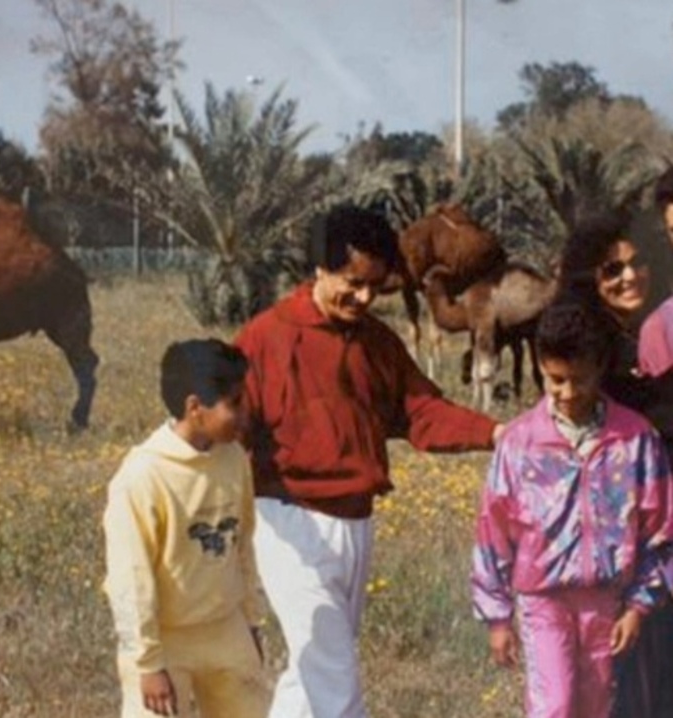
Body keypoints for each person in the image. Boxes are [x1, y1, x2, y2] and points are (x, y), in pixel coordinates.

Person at [235, 204, 502, 718]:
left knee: (312, 671)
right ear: (320, 267)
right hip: (288, 522)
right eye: (352, 283)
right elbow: (226, 431)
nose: (363, 298)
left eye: (374, 287)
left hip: (356, 523)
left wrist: (496, 432)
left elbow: (422, 412)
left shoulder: (378, 342)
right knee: (332, 671)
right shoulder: (266, 337)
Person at [471, 300, 673, 718]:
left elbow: (659, 529)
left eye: (578, 380)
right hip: (543, 601)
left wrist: (638, 606)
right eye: (555, 380)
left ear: (600, 368)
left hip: (606, 602)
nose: (566, 393)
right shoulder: (521, 443)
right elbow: (493, 531)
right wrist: (497, 616)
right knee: (555, 705)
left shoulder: (635, 440)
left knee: (597, 707)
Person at [103, 339, 269, 718]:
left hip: (225, 630)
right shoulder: (143, 476)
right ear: (195, 407)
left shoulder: (233, 459)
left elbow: (242, 547)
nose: (245, 414)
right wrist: (147, 663)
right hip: (165, 641)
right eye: (234, 403)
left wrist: (251, 624)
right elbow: (131, 578)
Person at [559, 213, 673, 718]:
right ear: (589, 277)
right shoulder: (590, 347)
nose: (630, 276)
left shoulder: (629, 336)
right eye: (612, 269)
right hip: (615, 543)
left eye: (638, 262)